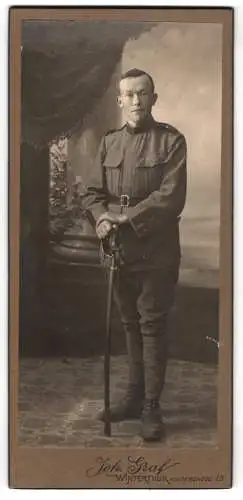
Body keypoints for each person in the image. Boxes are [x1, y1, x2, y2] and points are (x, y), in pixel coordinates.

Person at [83, 68, 187, 441]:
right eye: (129, 94)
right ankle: (131, 398)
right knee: (129, 324)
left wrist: (122, 218)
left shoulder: (171, 142)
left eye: (143, 94)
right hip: (116, 249)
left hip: (155, 249)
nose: (136, 101)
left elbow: (169, 199)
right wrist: (99, 219)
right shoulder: (109, 143)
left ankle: (150, 408)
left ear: (153, 99)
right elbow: (93, 193)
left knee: (152, 325)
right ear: (119, 100)